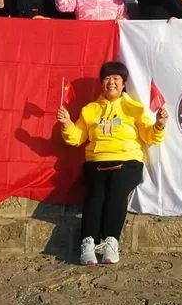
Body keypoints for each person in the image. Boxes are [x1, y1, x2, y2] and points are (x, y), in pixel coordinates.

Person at [56, 61, 168, 265]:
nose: (111, 82)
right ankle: (88, 242)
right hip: (97, 161)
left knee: (117, 188)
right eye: (107, 78)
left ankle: (111, 241)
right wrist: (67, 124)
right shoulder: (90, 110)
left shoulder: (135, 108)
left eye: (116, 78)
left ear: (124, 83)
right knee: (96, 192)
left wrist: (159, 125)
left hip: (128, 162)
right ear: (102, 83)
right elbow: (76, 138)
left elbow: (150, 137)